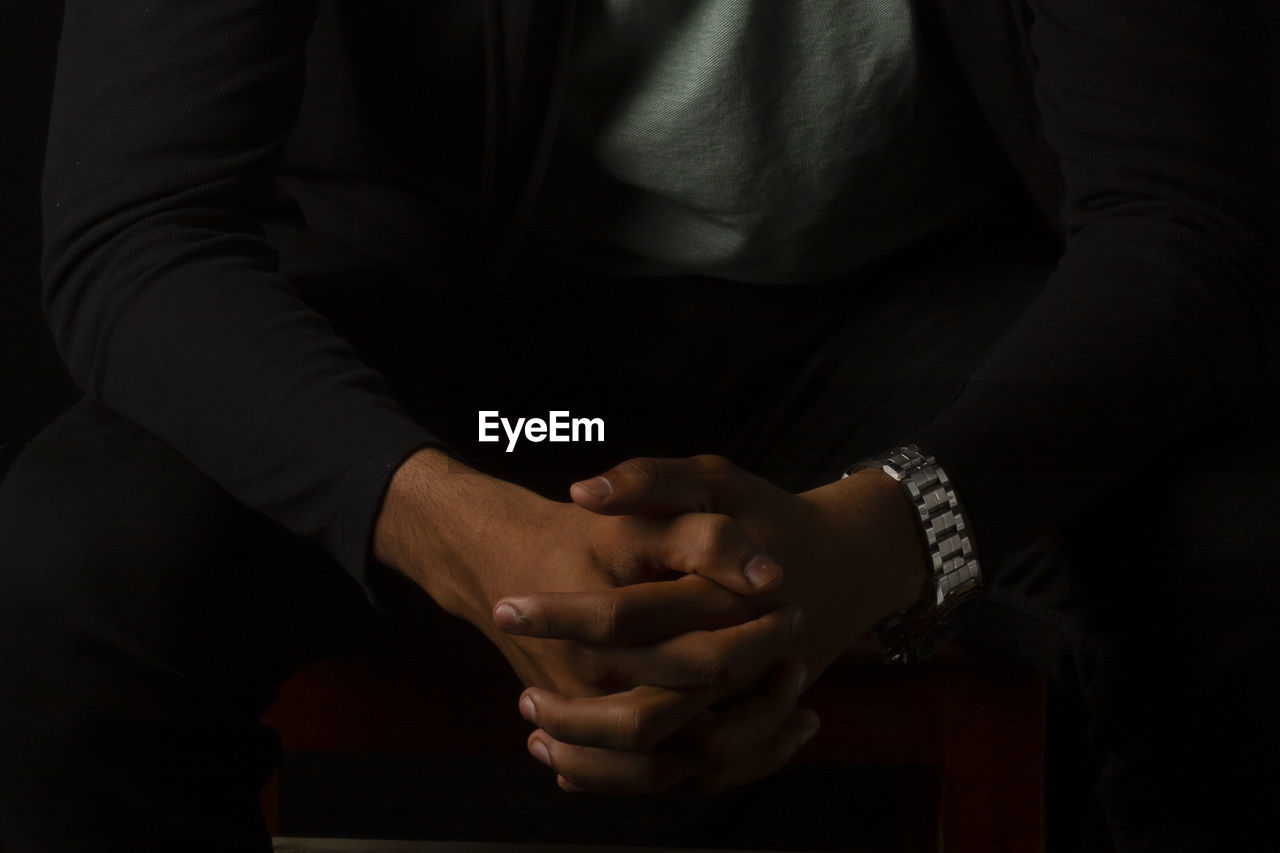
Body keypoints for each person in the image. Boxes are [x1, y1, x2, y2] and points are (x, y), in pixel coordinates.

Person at [1, 1, 1276, 851]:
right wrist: (457, 527)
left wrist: (885, 534)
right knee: (80, 557)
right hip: (499, 398)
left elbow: (1185, 227)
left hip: (897, 362)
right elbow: (140, 233)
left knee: (1235, 543)